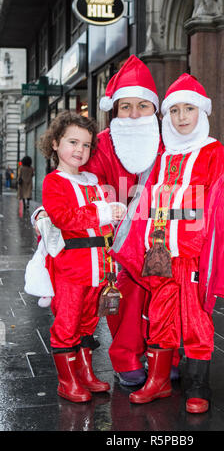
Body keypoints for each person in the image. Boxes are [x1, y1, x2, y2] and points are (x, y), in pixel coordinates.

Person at [33, 55, 224, 387]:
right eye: (125, 107)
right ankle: (126, 359)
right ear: (115, 110)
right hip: (115, 245)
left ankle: (168, 360)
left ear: (155, 110)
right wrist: (43, 214)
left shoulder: (169, 139)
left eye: (142, 106)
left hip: (168, 240)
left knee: (175, 299)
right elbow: (71, 182)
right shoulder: (101, 145)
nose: (134, 114)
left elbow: (212, 163)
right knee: (125, 295)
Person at [109, 73, 224, 413]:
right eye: (174, 111)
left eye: (189, 109)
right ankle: (158, 380)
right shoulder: (162, 155)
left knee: (194, 319)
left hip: (190, 255)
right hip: (157, 254)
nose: (181, 117)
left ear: (202, 112)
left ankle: (197, 385)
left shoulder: (212, 150)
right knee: (159, 316)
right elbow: (146, 200)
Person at [37, 110, 126, 403]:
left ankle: (85, 373)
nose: (80, 150)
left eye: (86, 145)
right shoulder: (54, 182)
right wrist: (102, 211)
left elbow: (102, 223)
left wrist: (114, 216)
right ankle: (67, 381)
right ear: (54, 144)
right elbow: (63, 218)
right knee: (67, 324)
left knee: (88, 322)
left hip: (99, 267)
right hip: (70, 270)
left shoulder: (93, 180)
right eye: (72, 142)